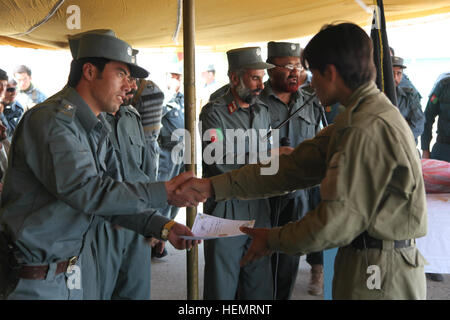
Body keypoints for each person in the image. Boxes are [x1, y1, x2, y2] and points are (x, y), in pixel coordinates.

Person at [180, 23, 428, 300]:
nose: (307, 81)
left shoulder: (365, 127)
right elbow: (293, 168)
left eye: (311, 73)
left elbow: (334, 222)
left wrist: (273, 238)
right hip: (367, 260)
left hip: (379, 271)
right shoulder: (357, 118)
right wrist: (213, 186)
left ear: (330, 73)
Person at [0, 31, 203, 300]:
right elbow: (88, 191)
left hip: (72, 273)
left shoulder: (95, 127)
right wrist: (163, 192)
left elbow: (113, 198)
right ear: (89, 71)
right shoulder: (52, 121)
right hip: (34, 281)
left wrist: (163, 226)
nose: (130, 86)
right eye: (121, 74)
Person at [200, 47, 276, 300]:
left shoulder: (263, 111)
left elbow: (269, 157)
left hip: (259, 207)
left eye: (262, 79)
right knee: (221, 288)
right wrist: (266, 159)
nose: (260, 85)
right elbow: (217, 161)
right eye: (255, 78)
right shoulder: (214, 113)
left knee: (259, 287)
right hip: (226, 209)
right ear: (235, 79)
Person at [260, 41, 323, 299]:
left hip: (298, 194)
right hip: (261, 192)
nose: (295, 72)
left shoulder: (311, 101)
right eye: (288, 66)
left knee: (288, 262)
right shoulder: (256, 100)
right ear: (270, 69)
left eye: (298, 66)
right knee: (258, 261)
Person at [420, 73, 450, 283]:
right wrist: (425, 149)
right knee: (434, 210)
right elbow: (428, 117)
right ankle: (431, 261)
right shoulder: (443, 86)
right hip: (443, 150)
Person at [158, 64, 185, 224]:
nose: (176, 80)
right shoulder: (163, 97)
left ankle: (168, 224)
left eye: (179, 77)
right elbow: (156, 115)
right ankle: (158, 228)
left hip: (182, 153)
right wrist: (170, 94)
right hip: (167, 153)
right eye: (173, 76)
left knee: (179, 193)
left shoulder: (183, 99)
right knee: (164, 193)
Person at [391, 56, 425, 144]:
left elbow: (419, 124)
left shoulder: (409, 95)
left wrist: (400, 140)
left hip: (406, 146)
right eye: (392, 73)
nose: (395, 77)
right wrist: (404, 124)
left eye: (398, 73)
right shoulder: (378, 95)